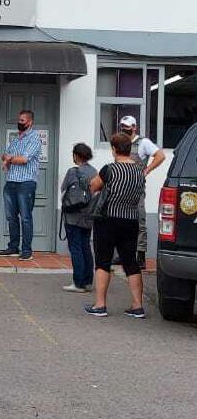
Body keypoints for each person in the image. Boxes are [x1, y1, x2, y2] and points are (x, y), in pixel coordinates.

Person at [85, 133, 146, 318]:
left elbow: (93, 186)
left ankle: (100, 304)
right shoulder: (139, 171)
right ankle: (137, 305)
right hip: (131, 220)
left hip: (108, 219)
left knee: (103, 261)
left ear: (113, 149)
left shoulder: (109, 169)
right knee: (131, 263)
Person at [119, 116, 166, 269]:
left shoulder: (143, 143)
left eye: (126, 127)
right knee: (122, 219)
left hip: (137, 187)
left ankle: (140, 256)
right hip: (122, 187)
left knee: (140, 220)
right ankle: (123, 254)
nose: (124, 130)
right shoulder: (121, 142)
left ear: (134, 127)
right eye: (122, 127)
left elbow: (160, 156)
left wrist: (147, 170)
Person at [0, 110, 42, 261]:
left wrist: (9, 159)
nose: (20, 122)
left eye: (22, 120)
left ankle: (27, 250)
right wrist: (8, 158)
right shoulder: (16, 139)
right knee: (11, 217)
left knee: (26, 217)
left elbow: (24, 159)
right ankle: (13, 247)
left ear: (30, 122)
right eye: (19, 120)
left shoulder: (34, 138)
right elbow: (5, 154)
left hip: (26, 183)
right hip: (11, 182)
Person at [60, 143, 98, 293]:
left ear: (76, 155)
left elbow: (63, 189)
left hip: (73, 215)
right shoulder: (94, 171)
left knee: (75, 248)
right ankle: (88, 281)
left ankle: (78, 282)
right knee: (86, 247)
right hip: (88, 215)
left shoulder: (72, 172)